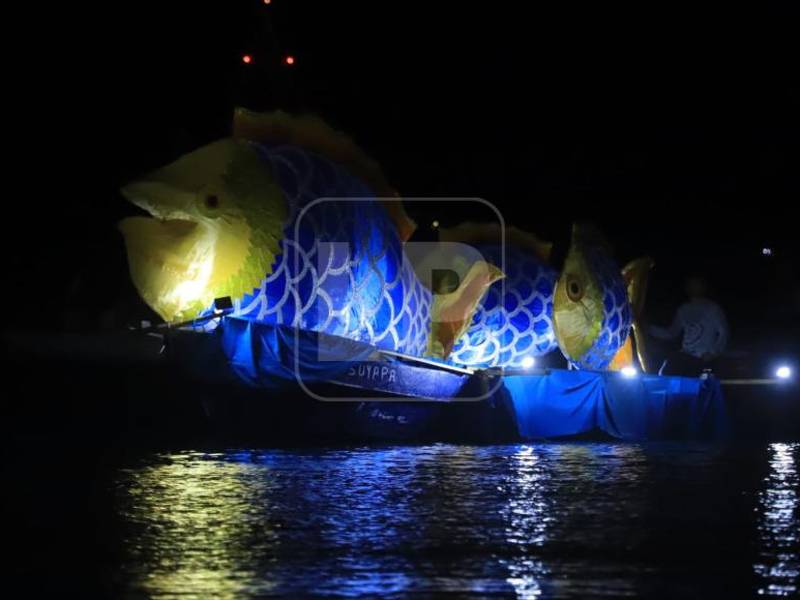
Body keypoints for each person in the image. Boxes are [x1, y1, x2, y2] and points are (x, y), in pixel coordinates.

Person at [649, 276, 729, 375]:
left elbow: (724, 332)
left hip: (702, 357)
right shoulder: (683, 309)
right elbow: (671, 333)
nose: (694, 287)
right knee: (664, 372)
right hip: (685, 354)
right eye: (691, 284)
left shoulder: (713, 308)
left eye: (697, 284)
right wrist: (649, 329)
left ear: (703, 287)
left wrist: (713, 352)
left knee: (696, 382)